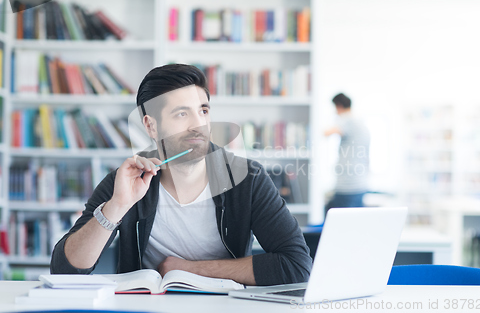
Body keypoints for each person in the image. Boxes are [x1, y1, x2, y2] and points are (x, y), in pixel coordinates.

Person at [50, 64, 312, 286]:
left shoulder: (248, 179)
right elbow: (65, 271)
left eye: (203, 111)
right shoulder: (127, 180)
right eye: (182, 113)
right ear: (151, 126)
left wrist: (188, 269)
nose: (198, 124)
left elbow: (296, 266)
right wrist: (117, 206)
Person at [324, 93, 370, 211]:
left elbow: (327, 133)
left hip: (347, 185)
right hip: (360, 183)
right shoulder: (361, 123)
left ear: (339, 106)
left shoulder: (347, 119)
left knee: (338, 222)